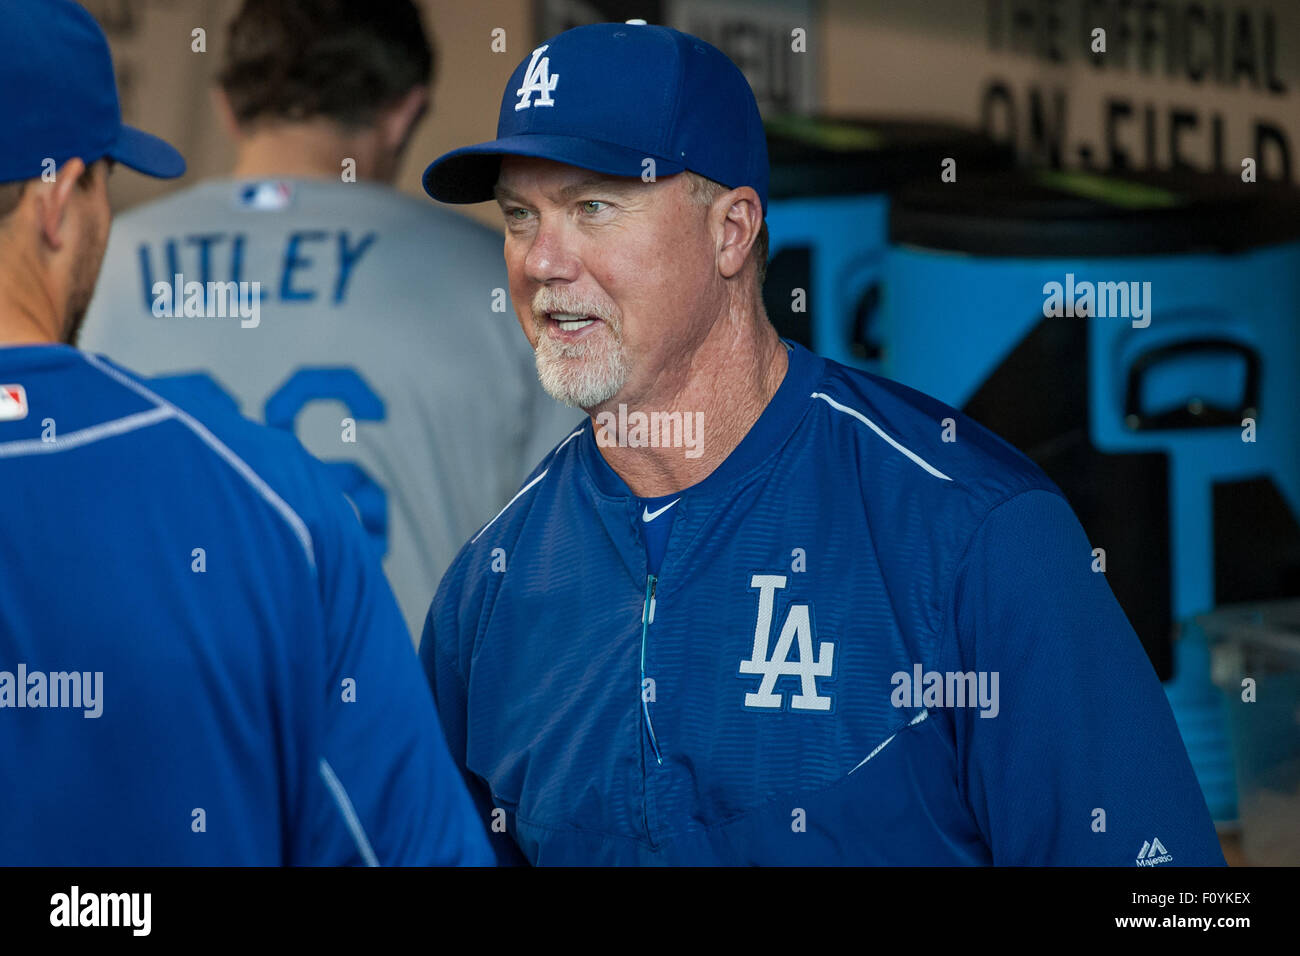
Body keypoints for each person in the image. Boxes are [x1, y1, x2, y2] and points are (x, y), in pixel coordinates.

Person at [417, 21, 1227, 865]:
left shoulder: (967, 534)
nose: (543, 260)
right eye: (519, 216)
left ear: (732, 231)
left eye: (592, 207)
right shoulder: (492, 588)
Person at [0, 0, 490, 866]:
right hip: (367, 746)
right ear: (57, 198)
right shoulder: (500, 284)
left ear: (226, 108)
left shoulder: (127, 276)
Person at [78, 0, 575, 641]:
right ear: (404, 113)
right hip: (403, 730)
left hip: (154, 721)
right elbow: (560, 576)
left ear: (227, 107)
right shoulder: (514, 278)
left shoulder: (93, 267)